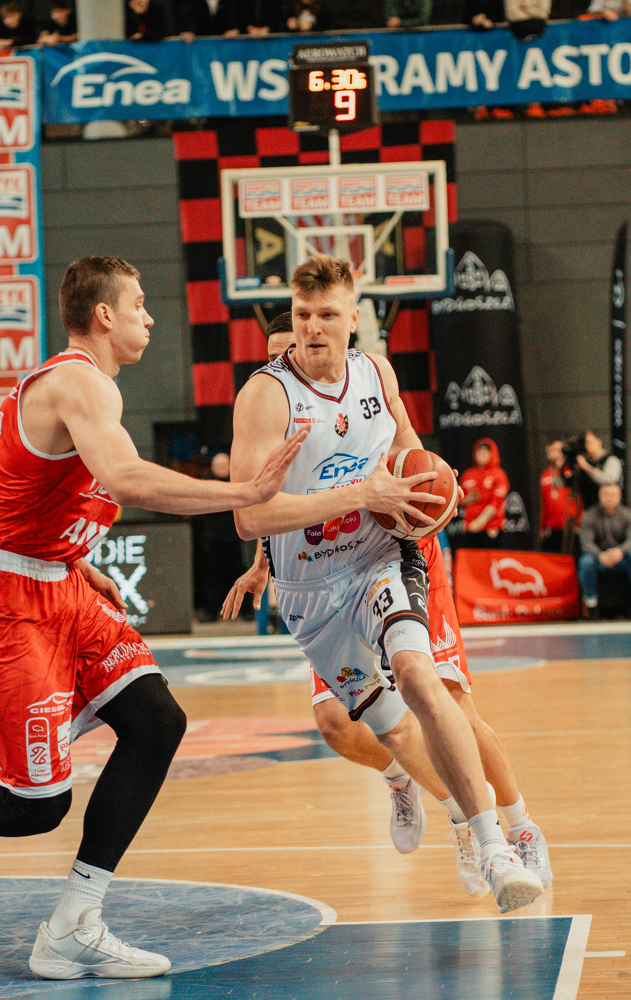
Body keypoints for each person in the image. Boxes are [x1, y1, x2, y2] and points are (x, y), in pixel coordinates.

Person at [0, 256, 307, 981]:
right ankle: (71, 927)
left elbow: (28, 493)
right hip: (7, 599)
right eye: (139, 303)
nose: (149, 317)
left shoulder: (84, 387)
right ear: (104, 315)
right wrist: (245, 492)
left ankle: (74, 925)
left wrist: (68, 555)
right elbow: (126, 479)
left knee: (155, 720)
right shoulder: (79, 381)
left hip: (52, 579)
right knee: (33, 807)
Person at [230, 255, 545, 913]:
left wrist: (436, 487)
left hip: (381, 556)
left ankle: (500, 843)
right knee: (375, 730)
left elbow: (407, 452)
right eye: (302, 315)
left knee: (420, 676)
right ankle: (430, 796)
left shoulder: (376, 374)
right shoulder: (264, 395)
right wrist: (349, 499)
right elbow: (249, 515)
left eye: (326, 315)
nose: (311, 328)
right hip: (311, 592)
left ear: (354, 319)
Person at [195, 452, 248, 623]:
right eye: (218, 466)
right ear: (212, 467)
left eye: (224, 465)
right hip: (212, 538)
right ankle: (211, 611)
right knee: (211, 577)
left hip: (234, 538)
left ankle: (246, 610)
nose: (221, 469)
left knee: (239, 574)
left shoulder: (237, 484)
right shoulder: (207, 486)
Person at [577, 483, 631, 618]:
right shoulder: (589, 515)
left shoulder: (626, 515)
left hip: (621, 557)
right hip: (599, 558)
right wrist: (600, 555)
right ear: (599, 496)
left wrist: (620, 551)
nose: (609, 498)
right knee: (586, 562)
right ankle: (591, 604)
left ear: (619, 496)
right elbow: (586, 543)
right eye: (606, 494)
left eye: (613, 494)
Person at [460, 438, 509, 547]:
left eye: (485, 451)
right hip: (470, 528)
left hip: (491, 528)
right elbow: (460, 499)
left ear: (492, 454)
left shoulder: (498, 474)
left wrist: (479, 523)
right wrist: (469, 499)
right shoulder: (468, 474)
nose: (481, 454)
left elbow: (496, 503)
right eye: (479, 451)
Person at [539, 438, 580, 553]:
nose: (552, 453)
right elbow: (545, 503)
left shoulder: (571, 471)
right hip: (552, 527)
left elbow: (579, 498)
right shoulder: (546, 474)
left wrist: (578, 522)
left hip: (570, 526)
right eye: (550, 450)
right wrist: (543, 526)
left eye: (556, 449)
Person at [574, 429, 623, 512]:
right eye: (584, 443)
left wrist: (587, 468)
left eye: (589, 442)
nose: (587, 446)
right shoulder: (585, 462)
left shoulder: (611, 459)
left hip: (607, 510)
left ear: (599, 442)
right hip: (588, 509)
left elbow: (610, 480)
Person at [177, 0, 241, 39]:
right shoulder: (192, 3)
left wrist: (234, 29)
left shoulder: (229, 2)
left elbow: (235, 21)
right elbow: (188, 19)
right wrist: (188, 31)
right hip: (200, 47)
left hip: (224, 46)